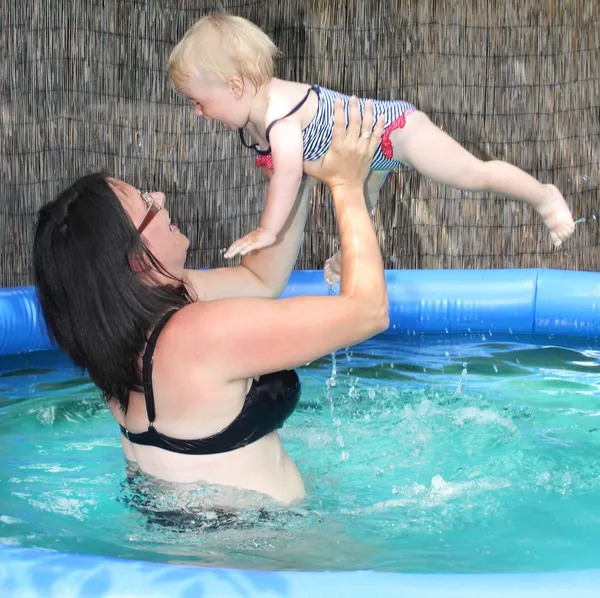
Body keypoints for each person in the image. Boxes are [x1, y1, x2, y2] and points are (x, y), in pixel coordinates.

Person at [33, 97, 388, 508]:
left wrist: (298, 171)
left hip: (204, 548)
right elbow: (368, 311)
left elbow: (258, 279)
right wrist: (346, 186)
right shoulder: (197, 335)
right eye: (148, 205)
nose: (161, 196)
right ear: (134, 261)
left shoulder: (122, 338)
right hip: (264, 554)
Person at [167, 14, 575, 285]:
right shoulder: (257, 120)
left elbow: (290, 174)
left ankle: (543, 196)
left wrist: (267, 230)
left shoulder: (278, 117)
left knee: (473, 174)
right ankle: (348, 261)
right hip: (360, 155)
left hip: (394, 132)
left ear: (236, 87)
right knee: (357, 205)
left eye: (198, 101)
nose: (198, 113)